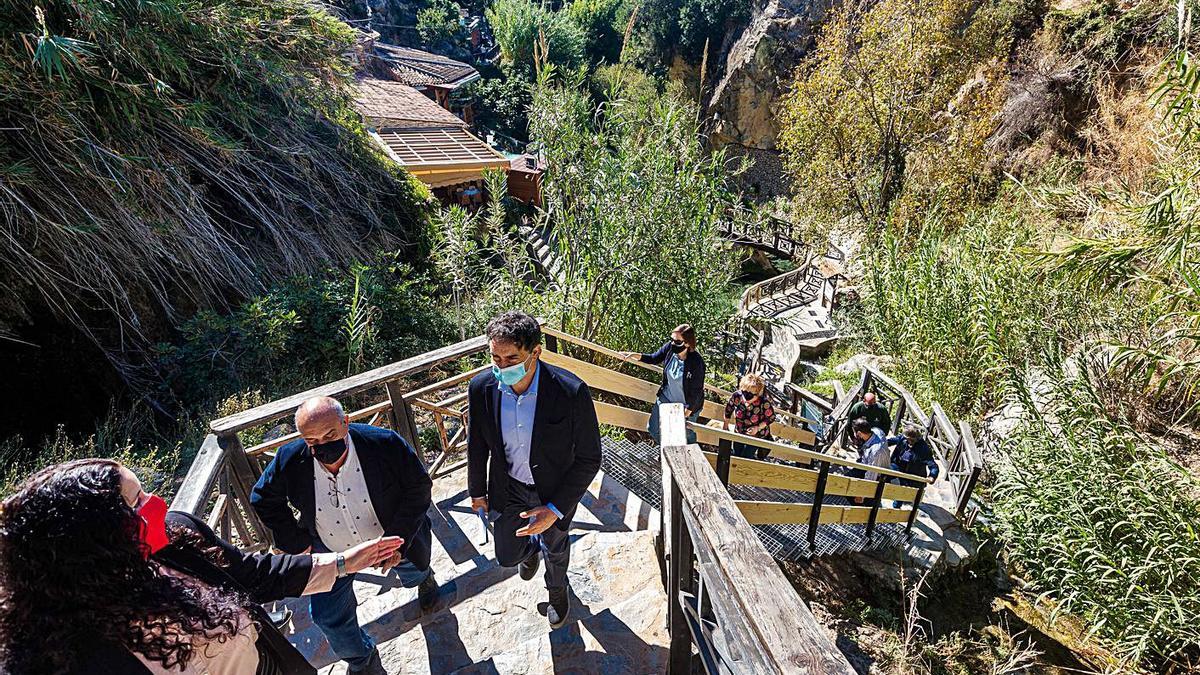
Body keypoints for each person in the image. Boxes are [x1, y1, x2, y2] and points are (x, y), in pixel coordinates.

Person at [0, 458, 402, 675]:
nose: (156, 504)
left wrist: (343, 562)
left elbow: (252, 574)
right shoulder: (67, 652)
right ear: (93, 542)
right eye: (136, 503)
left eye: (146, 490)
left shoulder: (177, 533)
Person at [251, 396, 437, 675]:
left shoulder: (384, 444)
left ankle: (424, 580)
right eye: (312, 441)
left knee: (413, 568)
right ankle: (362, 660)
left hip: (386, 542)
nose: (323, 445)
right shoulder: (291, 459)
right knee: (328, 617)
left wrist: (399, 539)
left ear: (345, 422)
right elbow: (263, 497)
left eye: (330, 435)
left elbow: (418, 487)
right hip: (330, 549)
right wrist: (296, 543)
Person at [468, 311, 602, 629]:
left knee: (555, 547)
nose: (502, 367)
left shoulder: (570, 392)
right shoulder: (482, 387)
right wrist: (477, 491)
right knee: (506, 556)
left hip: (552, 491)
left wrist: (555, 509)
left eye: (511, 358)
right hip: (509, 486)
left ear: (535, 352)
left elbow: (589, 458)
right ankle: (528, 551)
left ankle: (557, 594)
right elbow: (476, 444)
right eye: (495, 358)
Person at [620, 323, 706, 445]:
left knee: (686, 436)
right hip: (667, 397)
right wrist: (633, 355)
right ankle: (669, 450)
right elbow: (653, 358)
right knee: (653, 428)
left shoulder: (696, 362)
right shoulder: (670, 349)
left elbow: (696, 391)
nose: (672, 343)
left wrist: (686, 413)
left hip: (687, 406)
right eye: (672, 339)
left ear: (687, 343)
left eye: (677, 341)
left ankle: (690, 456)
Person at [722, 373, 776, 460]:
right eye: (745, 391)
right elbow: (728, 410)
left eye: (751, 392)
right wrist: (725, 426)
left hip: (756, 435)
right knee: (736, 454)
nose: (747, 394)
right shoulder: (737, 396)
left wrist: (757, 428)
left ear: (757, 393)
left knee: (746, 457)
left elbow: (771, 417)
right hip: (739, 431)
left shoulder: (763, 402)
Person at [888, 426, 939, 506]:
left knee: (902, 491)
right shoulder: (902, 438)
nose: (910, 442)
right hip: (898, 465)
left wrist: (932, 476)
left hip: (912, 473)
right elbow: (890, 441)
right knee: (884, 474)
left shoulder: (923, 448)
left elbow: (933, 466)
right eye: (908, 439)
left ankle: (895, 509)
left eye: (912, 440)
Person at [848, 420, 892, 505]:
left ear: (859, 433)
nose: (854, 435)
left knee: (866, 502)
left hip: (879, 477)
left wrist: (862, 494)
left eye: (855, 433)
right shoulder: (876, 431)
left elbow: (871, 475)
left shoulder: (875, 451)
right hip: (869, 465)